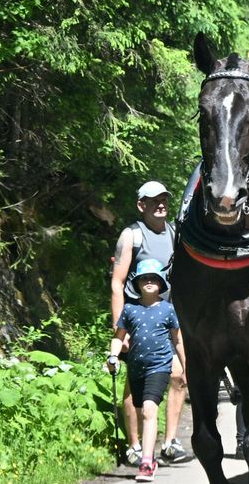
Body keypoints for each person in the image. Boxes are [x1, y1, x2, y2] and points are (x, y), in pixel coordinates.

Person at [110, 181, 189, 466]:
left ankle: (170, 442)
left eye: (164, 199)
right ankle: (134, 446)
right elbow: (117, 284)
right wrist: (120, 331)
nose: (161, 204)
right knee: (135, 384)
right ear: (141, 205)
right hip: (136, 319)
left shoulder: (174, 233)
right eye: (154, 200)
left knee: (179, 376)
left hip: (166, 317)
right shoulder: (131, 236)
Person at [108, 258, 188, 482]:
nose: (149, 281)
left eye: (154, 278)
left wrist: (185, 367)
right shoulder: (129, 309)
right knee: (141, 412)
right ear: (137, 284)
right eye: (144, 278)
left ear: (161, 283)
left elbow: (178, 340)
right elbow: (118, 338)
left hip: (160, 366)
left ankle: (146, 463)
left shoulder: (168, 309)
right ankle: (148, 453)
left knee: (149, 410)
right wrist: (113, 356)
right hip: (136, 368)